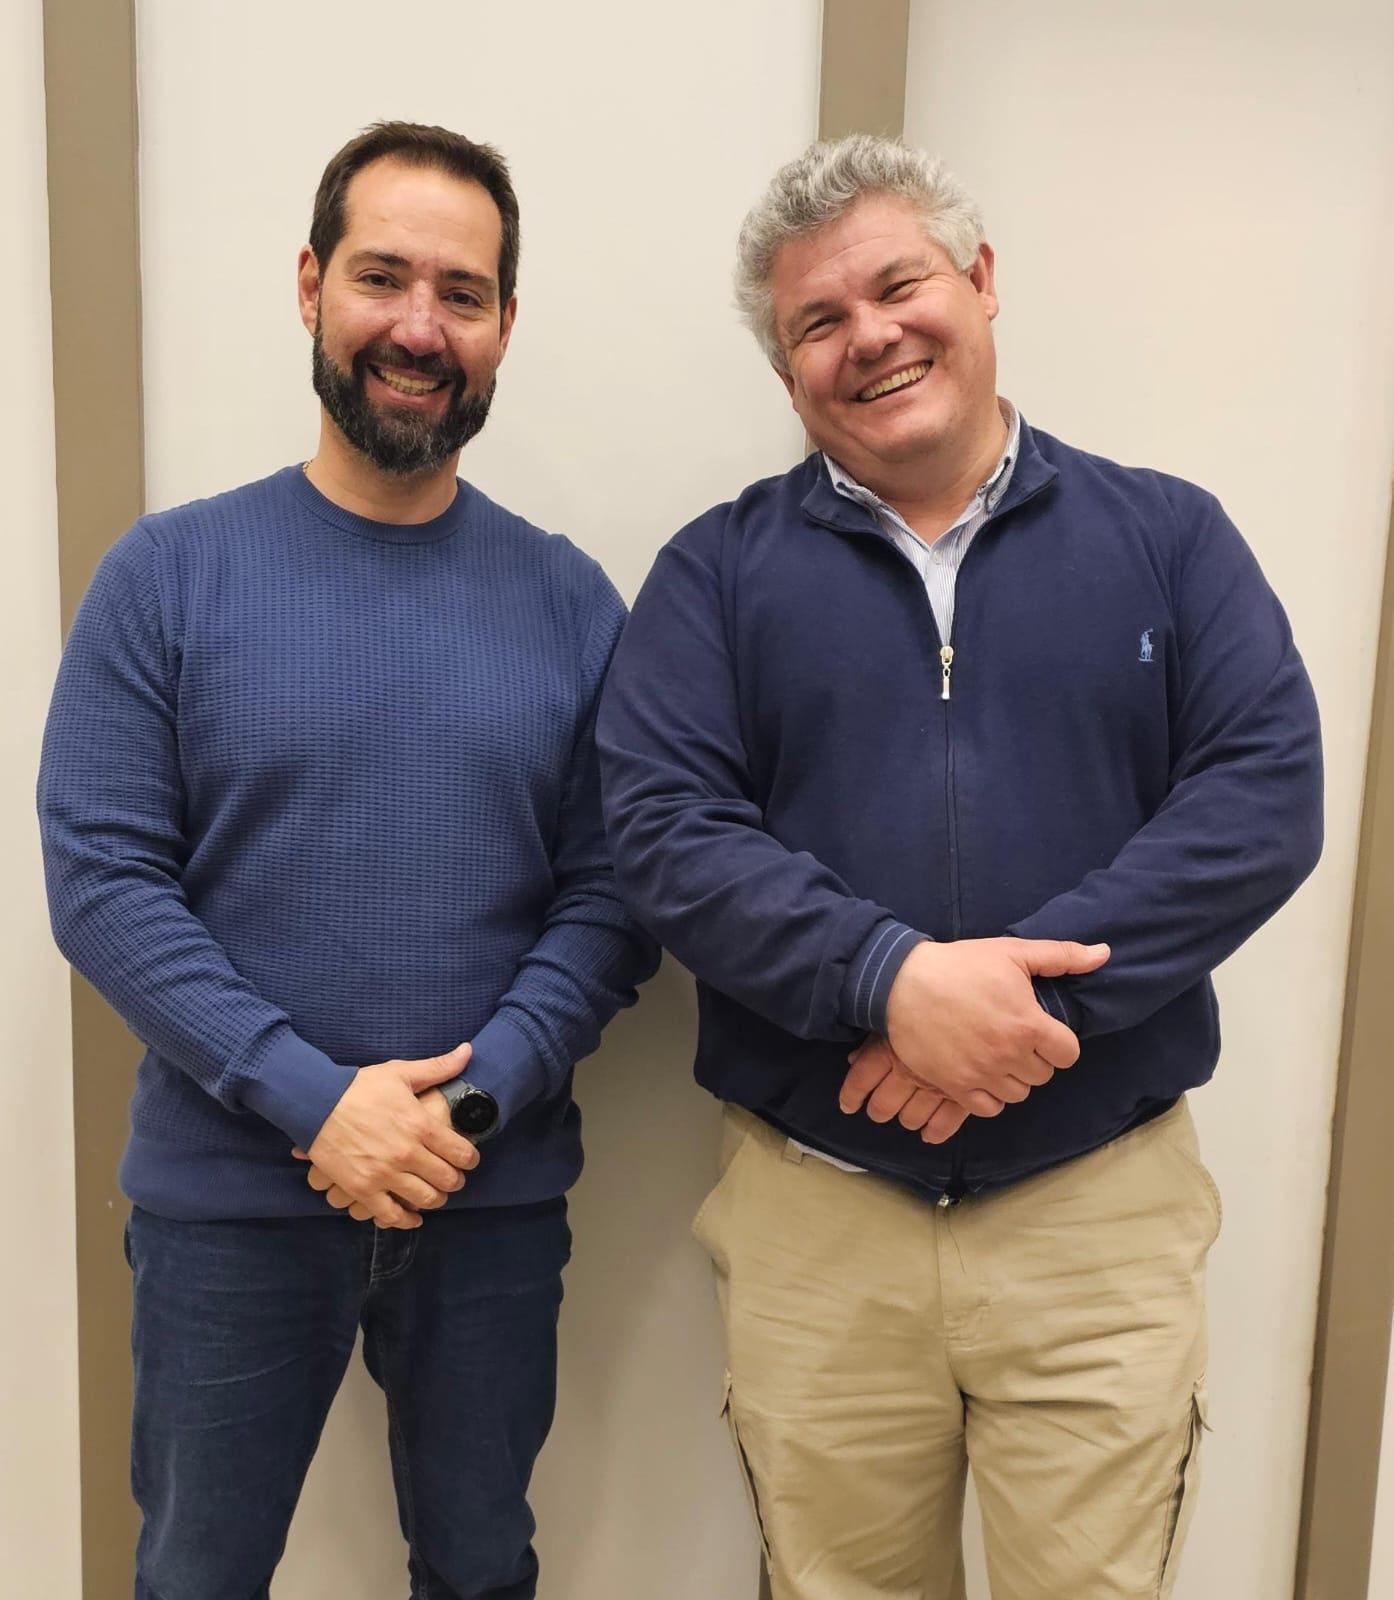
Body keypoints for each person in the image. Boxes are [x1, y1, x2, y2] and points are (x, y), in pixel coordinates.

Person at [597, 134, 1322, 1599]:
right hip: (820, 1219)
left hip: (1096, 1218)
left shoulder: (1167, 539)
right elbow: (667, 829)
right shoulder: (713, 576)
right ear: (788, 370)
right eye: (816, 321)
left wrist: (1002, 1012)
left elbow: (1259, 797)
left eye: (896, 285)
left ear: (979, 285)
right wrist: (888, 981)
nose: (867, 336)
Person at [39, 121, 656, 1600]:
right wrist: (316, 1103)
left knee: (480, 1569)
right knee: (197, 1577)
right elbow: (104, 880)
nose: (418, 326)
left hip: (487, 1192)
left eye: (462, 292)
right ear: (312, 284)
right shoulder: (168, 575)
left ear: (505, 325)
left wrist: (478, 1086)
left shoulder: (571, 601)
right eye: (384, 277)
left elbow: (614, 890)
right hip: (226, 1202)